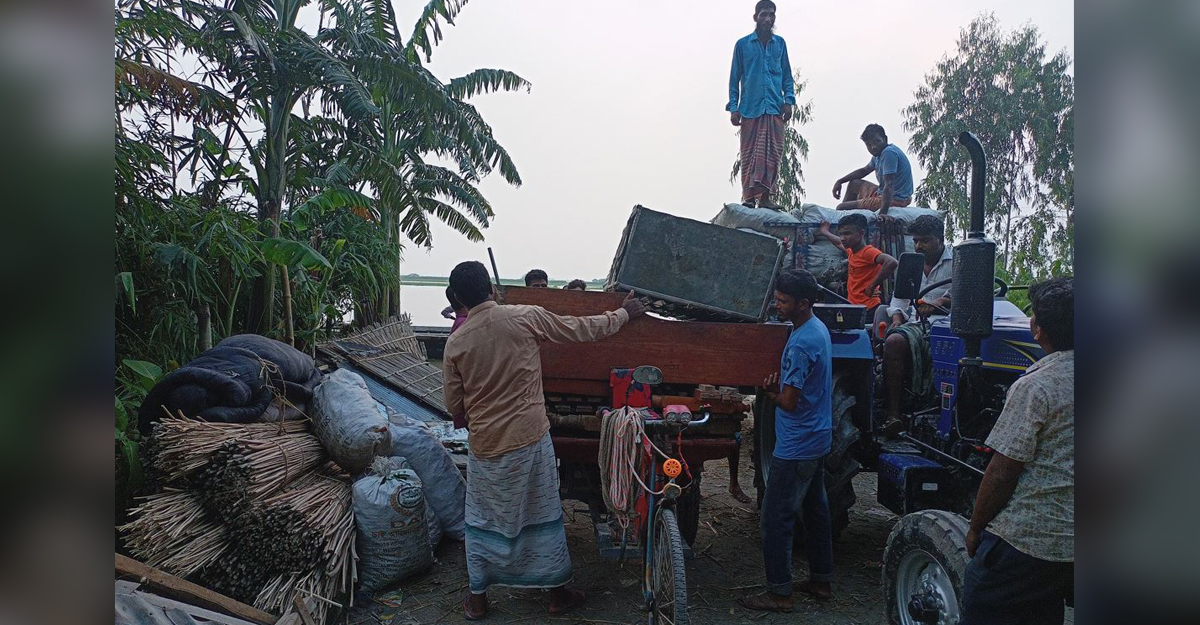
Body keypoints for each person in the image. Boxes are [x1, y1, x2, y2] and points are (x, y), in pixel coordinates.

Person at [442, 261, 646, 620]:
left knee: (482, 519)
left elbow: (453, 404)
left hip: (486, 445)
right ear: (491, 287)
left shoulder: (456, 341)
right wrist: (623, 314)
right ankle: (557, 595)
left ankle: (477, 599)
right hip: (530, 439)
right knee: (542, 512)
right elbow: (581, 329)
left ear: (458, 298)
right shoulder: (525, 316)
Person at [961, 277, 1074, 625]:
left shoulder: (1035, 386)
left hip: (1034, 540)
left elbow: (1003, 469)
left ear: (1036, 329)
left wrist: (977, 528)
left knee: (982, 596)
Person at [739, 269, 834, 612]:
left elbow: (790, 402)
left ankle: (780, 593)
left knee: (775, 518)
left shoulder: (801, 343)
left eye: (782, 301)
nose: (776, 305)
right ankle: (821, 580)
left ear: (803, 303)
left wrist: (769, 392)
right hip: (818, 436)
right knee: (815, 510)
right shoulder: (817, 328)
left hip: (796, 444)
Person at [881, 215, 952, 435]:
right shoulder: (910, 263)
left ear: (940, 239)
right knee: (893, 341)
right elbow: (900, 299)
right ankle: (893, 416)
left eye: (925, 240)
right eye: (916, 241)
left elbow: (968, 295)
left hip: (949, 323)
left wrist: (940, 302)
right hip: (916, 325)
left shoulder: (960, 262)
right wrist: (896, 319)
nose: (919, 245)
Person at [727, 0, 795, 210]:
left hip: (774, 107)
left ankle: (765, 198)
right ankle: (748, 198)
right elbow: (734, 78)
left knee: (772, 155)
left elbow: (787, 76)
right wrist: (733, 107)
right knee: (750, 155)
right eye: (764, 14)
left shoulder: (780, 44)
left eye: (771, 15)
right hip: (750, 109)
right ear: (755, 17)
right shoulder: (742, 45)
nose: (767, 19)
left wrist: (789, 101)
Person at [814, 214, 899, 326]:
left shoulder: (868, 252)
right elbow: (838, 242)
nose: (843, 238)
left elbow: (891, 262)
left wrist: (871, 286)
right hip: (855, 306)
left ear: (861, 233)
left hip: (868, 307)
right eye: (841, 234)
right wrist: (825, 232)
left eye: (847, 233)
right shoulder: (851, 251)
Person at [832, 124, 914, 214]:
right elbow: (864, 171)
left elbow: (889, 184)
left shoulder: (888, 153)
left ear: (885, 139)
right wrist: (840, 181)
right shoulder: (878, 155)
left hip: (895, 199)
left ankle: (844, 222)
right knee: (854, 184)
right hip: (884, 193)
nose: (873, 147)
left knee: (841, 208)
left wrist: (882, 213)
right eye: (869, 145)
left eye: (877, 141)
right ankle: (847, 218)